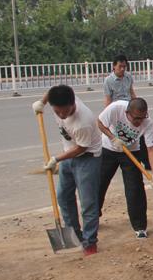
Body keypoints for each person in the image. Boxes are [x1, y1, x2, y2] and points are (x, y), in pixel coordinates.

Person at [32, 85, 102, 256]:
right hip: (68, 155)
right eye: (57, 112)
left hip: (87, 158)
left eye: (65, 111)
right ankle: (75, 235)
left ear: (73, 104)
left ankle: (90, 242)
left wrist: (56, 159)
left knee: (88, 203)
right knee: (63, 196)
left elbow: (81, 149)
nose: (62, 115)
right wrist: (41, 102)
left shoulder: (83, 121)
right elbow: (52, 90)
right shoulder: (63, 98)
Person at [97, 98, 153, 239]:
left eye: (142, 118)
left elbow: (151, 149)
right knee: (99, 184)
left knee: (135, 188)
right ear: (127, 113)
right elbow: (99, 123)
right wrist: (113, 138)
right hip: (108, 149)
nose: (139, 122)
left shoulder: (147, 122)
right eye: (136, 118)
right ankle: (93, 217)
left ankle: (140, 226)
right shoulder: (115, 108)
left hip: (132, 152)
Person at [103, 54, 151, 170]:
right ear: (114, 66)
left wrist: (139, 107)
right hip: (119, 111)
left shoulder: (128, 77)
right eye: (120, 66)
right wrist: (108, 115)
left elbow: (131, 92)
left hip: (131, 109)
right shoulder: (108, 80)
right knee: (121, 137)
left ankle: (147, 163)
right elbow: (108, 99)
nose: (122, 69)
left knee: (140, 135)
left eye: (124, 66)